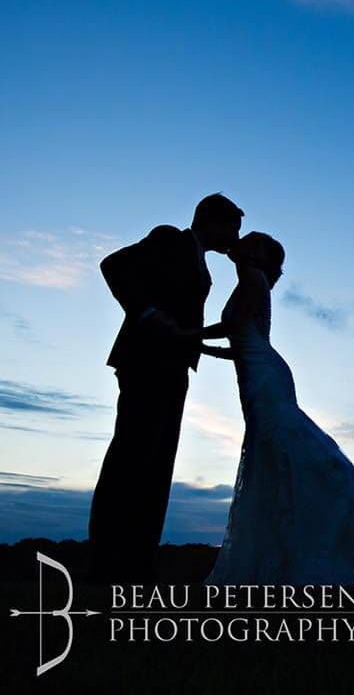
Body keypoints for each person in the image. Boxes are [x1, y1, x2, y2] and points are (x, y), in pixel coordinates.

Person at [200, 231, 354, 585]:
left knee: (289, 453)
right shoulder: (250, 280)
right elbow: (241, 342)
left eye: (250, 240)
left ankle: (343, 529)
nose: (239, 240)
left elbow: (231, 328)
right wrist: (199, 345)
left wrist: (187, 335)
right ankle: (286, 551)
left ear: (257, 256)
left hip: (265, 379)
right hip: (260, 373)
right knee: (274, 458)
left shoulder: (253, 279)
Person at [88, 193, 243, 583]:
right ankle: (107, 561)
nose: (234, 237)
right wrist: (150, 314)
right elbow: (114, 265)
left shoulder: (201, 261)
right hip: (145, 362)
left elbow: (184, 323)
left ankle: (138, 563)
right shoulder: (170, 238)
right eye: (232, 227)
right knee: (130, 459)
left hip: (174, 368)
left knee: (157, 466)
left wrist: (202, 343)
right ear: (210, 220)